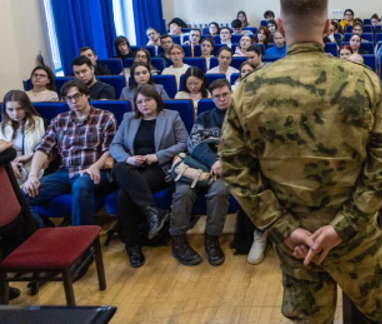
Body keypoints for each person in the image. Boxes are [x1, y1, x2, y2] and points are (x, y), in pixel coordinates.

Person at [220, 0, 382, 323]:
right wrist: (342, 226)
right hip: (356, 239)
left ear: (278, 25)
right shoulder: (363, 81)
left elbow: (234, 166)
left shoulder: (249, 90)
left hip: (297, 245)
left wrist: (283, 227)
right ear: (328, 26)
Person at [21, 80, 118, 227]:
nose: (73, 101)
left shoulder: (105, 117)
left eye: (77, 96)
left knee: (80, 185)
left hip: (94, 170)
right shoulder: (59, 120)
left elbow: (109, 149)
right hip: (65, 171)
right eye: (69, 98)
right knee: (23, 194)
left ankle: (81, 240)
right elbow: (43, 148)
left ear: (87, 95)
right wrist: (33, 176)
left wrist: (95, 167)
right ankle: (44, 232)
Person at [110, 85, 189, 267]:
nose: (143, 104)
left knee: (124, 195)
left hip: (159, 168)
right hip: (133, 168)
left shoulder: (171, 116)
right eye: (139, 102)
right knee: (119, 167)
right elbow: (115, 145)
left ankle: (132, 245)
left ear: (156, 100)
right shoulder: (129, 118)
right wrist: (128, 158)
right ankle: (151, 214)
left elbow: (184, 143)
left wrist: (157, 156)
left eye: (148, 100)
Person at [170, 79, 234, 267]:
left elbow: (244, 147)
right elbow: (193, 143)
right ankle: (178, 240)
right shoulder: (204, 117)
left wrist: (223, 163)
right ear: (211, 98)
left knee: (219, 191)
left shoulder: (241, 118)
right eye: (217, 96)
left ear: (232, 94)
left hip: (224, 170)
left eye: (225, 94)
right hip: (199, 166)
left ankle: (212, 239)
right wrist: (213, 161)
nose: (221, 99)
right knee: (183, 192)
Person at [1, 90, 45, 183]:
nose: (15, 113)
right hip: (7, 169)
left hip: (33, 168)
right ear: (5, 109)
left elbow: (48, 149)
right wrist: (9, 163)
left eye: (19, 108)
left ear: (26, 107)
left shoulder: (40, 123)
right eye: (10, 109)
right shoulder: (2, 127)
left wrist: (31, 155)